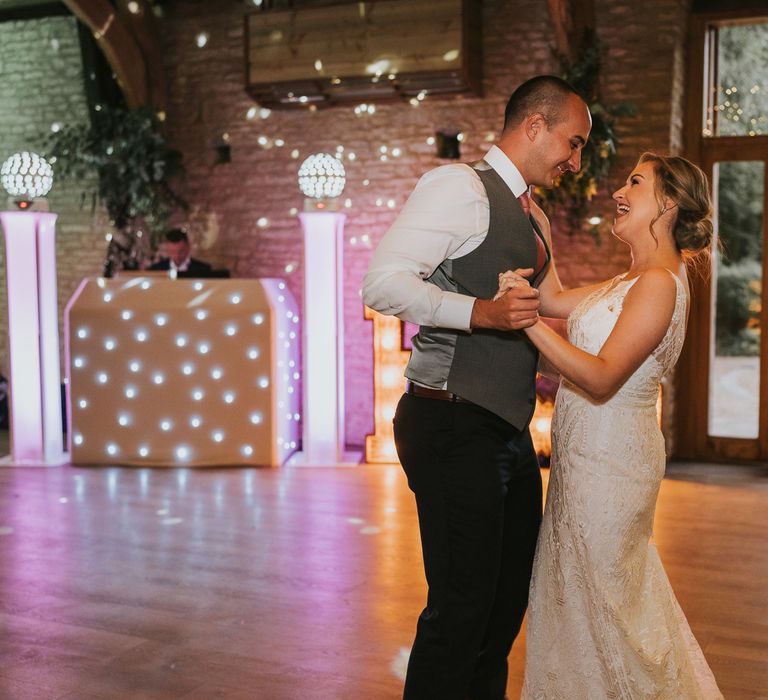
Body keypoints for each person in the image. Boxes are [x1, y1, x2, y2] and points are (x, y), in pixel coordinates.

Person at [363, 75, 592, 699]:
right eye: (572, 144)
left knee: (504, 600)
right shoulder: (458, 187)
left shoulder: (533, 215)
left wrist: (648, 288)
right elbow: (381, 284)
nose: (576, 162)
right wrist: (480, 313)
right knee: (461, 608)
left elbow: (546, 309)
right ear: (535, 127)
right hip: (450, 420)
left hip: (507, 429)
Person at [495, 153, 724, 698]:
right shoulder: (632, 279)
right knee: (580, 600)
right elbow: (551, 300)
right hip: (584, 464)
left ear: (667, 204)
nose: (619, 190)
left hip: (612, 472)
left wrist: (522, 320)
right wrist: (542, 235)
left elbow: (599, 378)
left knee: (607, 604)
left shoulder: (659, 286)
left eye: (635, 183)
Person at [149, 228, 213, 275]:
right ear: (167, 249)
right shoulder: (156, 270)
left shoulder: (203, 270)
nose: (177, 256)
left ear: (188, 248)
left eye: (181, 251)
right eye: (172, 252)